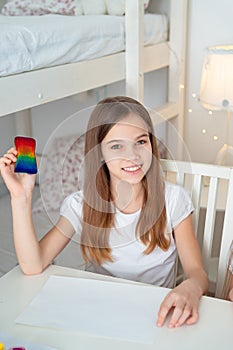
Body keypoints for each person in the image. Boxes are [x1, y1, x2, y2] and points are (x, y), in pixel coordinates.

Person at [0, 96, 208, 328]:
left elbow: (196, 272)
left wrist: (192, 286)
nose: (133, 156)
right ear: (99, 154)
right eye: (117, 146)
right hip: (99, 314)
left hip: (156, 317)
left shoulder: (174, 200)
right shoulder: (80, 205)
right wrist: (21, 197)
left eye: (141, 141)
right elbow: (33, 265)